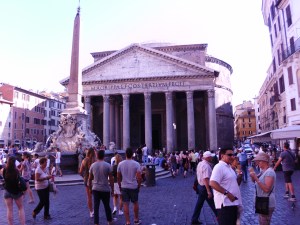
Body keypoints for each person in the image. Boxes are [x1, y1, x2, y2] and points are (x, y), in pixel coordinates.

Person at [210, 148, 243, 225]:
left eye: (233, 154)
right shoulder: (219, 167)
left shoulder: (229, 167)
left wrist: (240, 175)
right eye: (229, 155)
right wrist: (227, 194)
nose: (232, 157)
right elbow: (212, 183)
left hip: (232, 204)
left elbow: (236, 184)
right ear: (222, 156)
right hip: (225, 205)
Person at [88, 150, 116, 225]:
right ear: (104, 156)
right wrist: (112, 190)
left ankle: (96, 223)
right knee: (107, 206)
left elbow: (90, 179)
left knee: (96, 207)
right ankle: (109, 221)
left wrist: (90, 188)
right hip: (105, 188)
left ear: (97, 156)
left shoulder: (93, 165)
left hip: (96, 188)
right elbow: (111, 179)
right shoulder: (107, 165)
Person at [191, 151, 217, 225]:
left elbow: (198, 175)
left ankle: (194, 219)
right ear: (208, 158)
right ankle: (219, 217)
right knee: (212, 204)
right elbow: (206, 179)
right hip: (205, 188)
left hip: (200, 186)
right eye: (211, 157)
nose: (212, 158)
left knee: (199, 204)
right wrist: (208, 191)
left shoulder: (200, 163)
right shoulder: (206, 166)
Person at [249, 152, 276, 225]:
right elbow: (254, 181)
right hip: (262, 201)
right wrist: (253, 176)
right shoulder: (262, 171)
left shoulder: (269, 172)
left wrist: (255, 178)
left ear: (264, 161)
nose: (257, 163)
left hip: (267, 202)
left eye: (259, 161)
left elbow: (267, 189)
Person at [117, 147, 142, 225]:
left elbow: (118, 177)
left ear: (125, 154)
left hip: (124, 186)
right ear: (132, 155)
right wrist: (139, 186)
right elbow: (139, 177)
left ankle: (127, 222)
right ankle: (136, 220)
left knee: (125, 204)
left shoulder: (120, 164)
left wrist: (120, 185)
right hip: (133, 186)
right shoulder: (136, 164)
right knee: (135, 203)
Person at [0, 156, 26, 225]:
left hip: (7, 191)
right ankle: (23, 224)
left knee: (9, 209)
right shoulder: (16, 171)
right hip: (16, 191)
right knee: (20, 208)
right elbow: (19, 180)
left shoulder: (4, 170)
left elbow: (4, 178)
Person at [79, 147, 96, 218]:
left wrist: (84, 177)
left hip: (87, 179)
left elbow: (80, 172)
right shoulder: (95, 160)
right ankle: (95, 210)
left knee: (89, 197)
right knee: (96, 196)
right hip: (94, 180)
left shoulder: (84, 160)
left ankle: (91, 211)